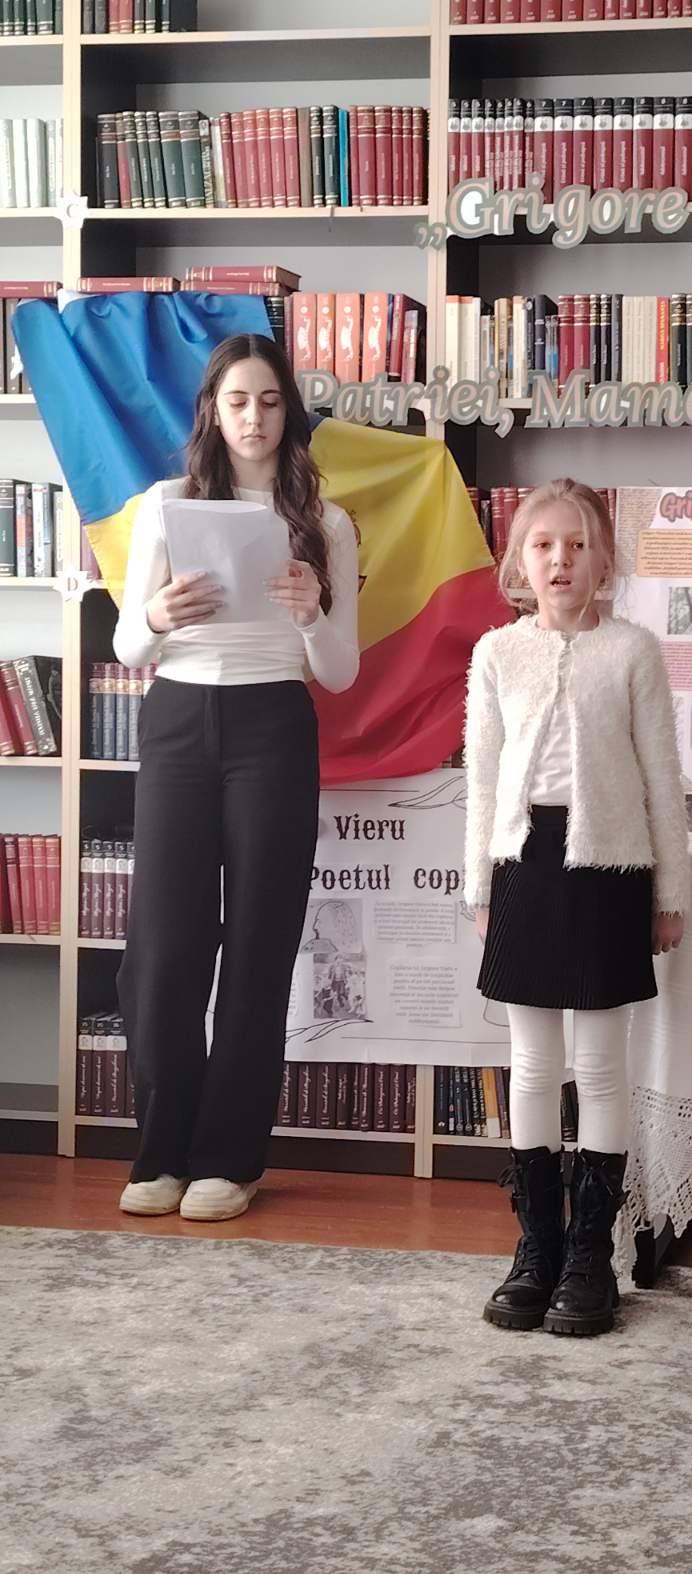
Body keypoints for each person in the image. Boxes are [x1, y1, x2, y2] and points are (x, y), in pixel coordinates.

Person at [113, 332, 360, 1223]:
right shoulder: (167, 504)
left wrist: (313, 613)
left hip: (273, 727)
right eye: (238, 401)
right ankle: (162, 1154)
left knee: (258, 947)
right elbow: (128, 646)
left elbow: (340, 673)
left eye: (270, 401)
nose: (254, 417)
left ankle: (231, 1159)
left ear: (289, 412)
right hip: (180, 722)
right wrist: (154, 613)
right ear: (212, 413)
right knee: (164, 949)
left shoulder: (324, 522)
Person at [464, 478, 690, 1338]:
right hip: (524, 866)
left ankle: (592, 1253)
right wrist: (479, 886)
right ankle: (539, 1247)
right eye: (543, 544)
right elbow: (483, 779)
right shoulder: (496, 653)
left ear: (604, 561)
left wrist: (670, 892)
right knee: (531, 1065)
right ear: (520, 562)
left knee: (599, 1065)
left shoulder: (632, 652)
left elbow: (662, 778)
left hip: (609, 870)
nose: (561, 559)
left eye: (578, 544)